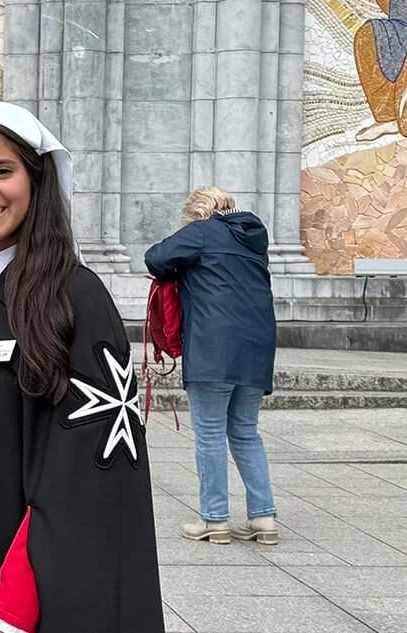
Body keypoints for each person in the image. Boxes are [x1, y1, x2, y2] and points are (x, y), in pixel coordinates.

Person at [0, 101, 162, 633]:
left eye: (3, 170)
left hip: (25, 595)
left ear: (36, 179)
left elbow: (84, 481)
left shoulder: (73, 299)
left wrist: (17, 603)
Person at [145, 186, 279, 546]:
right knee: (246, 431)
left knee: (209, 433)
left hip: (213, 349)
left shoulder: (203, 229)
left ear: (199, 214)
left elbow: (155, 258)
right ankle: (263, 518)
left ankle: (215, 519)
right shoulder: (253, 239)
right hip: (257, 350)